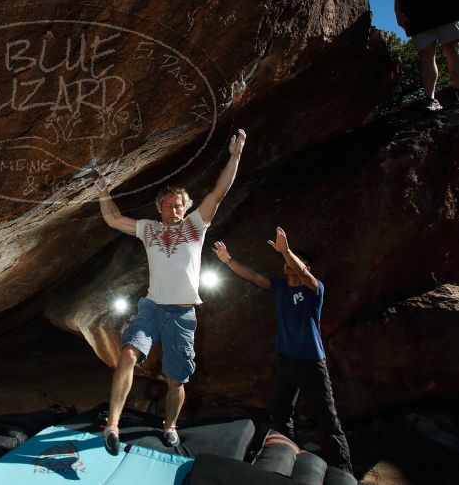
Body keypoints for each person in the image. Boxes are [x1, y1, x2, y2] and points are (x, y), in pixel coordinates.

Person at [94, 129, 246, 455]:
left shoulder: (195, 226)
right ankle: (113, 425)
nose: (173, 211)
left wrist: (234, 156)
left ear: (185, 207)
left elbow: (218, 194)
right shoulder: (148, 229)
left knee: (176, 382)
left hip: (182, 313)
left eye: (178, 206)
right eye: (168, 206)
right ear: (159, 208)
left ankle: (170, 425)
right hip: (151, 307)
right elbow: (114, 219)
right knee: (127, 354)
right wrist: (103, 191)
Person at [212, 228, 353, 474]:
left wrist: (286, 251)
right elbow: (254, 276)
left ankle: (344, 471)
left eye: (297, 263)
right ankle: (284, 462)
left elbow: (301, 271)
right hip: (288, 363)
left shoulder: (314, 290)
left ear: (305, 267)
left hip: (312, 364)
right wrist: (228, 261)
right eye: (286, 262)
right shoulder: (279, 288)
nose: (289, 265)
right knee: (280, 413)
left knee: (328, 421)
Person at [395, 0, 459, 111]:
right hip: (419, 19)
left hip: (447, 12)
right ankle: (430, 99)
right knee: (426, 55)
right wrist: (398, 14)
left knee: (451, 48)